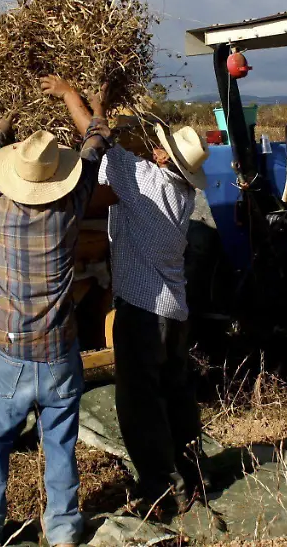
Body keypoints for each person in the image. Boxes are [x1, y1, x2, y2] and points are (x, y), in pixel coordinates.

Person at [0, 76, 111, 547]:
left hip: (6, 353)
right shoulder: (68, 209)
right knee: (60, 442)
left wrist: (3, 124)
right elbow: (96, 143)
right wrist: (75, 96)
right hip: (58, 353)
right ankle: (64, 528)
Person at [99, 118, 211, 516]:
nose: (152, 149)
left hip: (144, 312)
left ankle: (166, 490)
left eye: (158, 146)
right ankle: (195, 473)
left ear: (164, 156)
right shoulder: (182, 193)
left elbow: (99, 145)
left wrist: (78, 101)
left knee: (140, 406)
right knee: (175, 395)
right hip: (175, 314)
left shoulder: (146, 180)